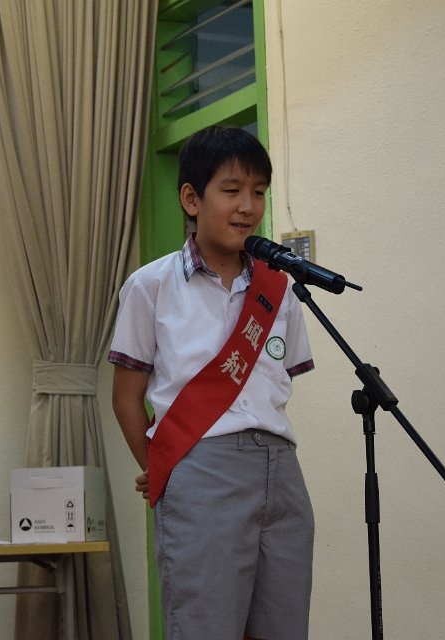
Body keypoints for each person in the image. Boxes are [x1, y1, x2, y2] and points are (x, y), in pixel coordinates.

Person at [109, 125, 315, 639]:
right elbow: (126, 397)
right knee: (205, 625)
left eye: (259, 192)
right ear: (191, 198)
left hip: (282, 471)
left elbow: (275, 385)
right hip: (202, 471)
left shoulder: (278, 291)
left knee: (284, 627)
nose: (248, 206)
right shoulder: (151, 285)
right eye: (232, 190)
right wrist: (161, 466)